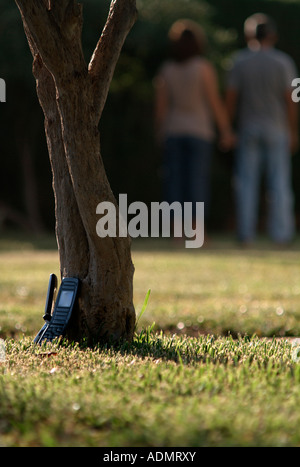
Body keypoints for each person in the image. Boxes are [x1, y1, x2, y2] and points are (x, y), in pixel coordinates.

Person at [154, 19, 234, 236]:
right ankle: (197, 231)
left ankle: (177, 232)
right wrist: (226, 130)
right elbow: (214, 102)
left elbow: (161, 109)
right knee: (197, 182)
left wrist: (159, 132)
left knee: (174, 183)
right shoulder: (203, 68)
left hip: (173, 130)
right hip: (200, 131)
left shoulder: (166, 70)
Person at [226, 14, 298, 246]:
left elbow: (231, 99)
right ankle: (281, 234)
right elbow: (292, 99)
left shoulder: (239, 61)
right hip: (277, 128)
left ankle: (246, 234)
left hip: (248, 128)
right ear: (273, 35)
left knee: (246, 183)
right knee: (279, 183)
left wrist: (228, 128)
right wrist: (293, 130)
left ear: (249, 35)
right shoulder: (284, 62)